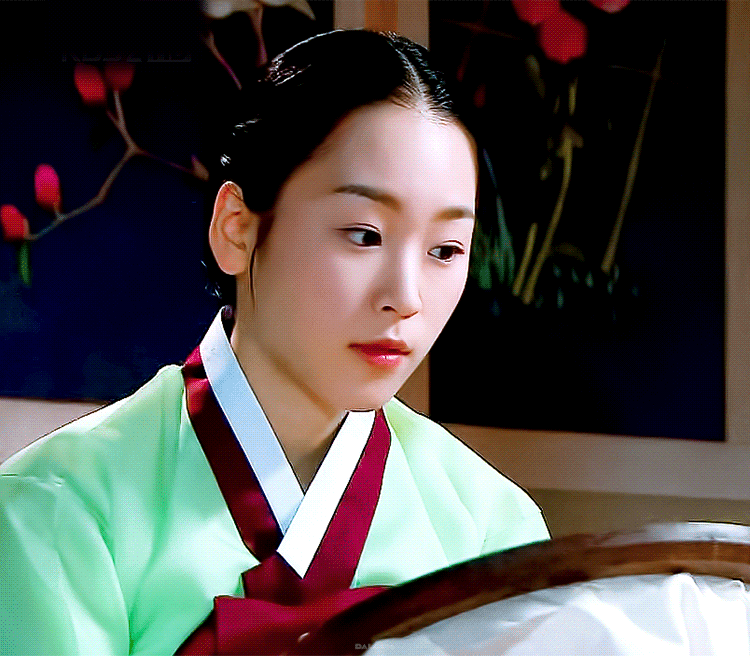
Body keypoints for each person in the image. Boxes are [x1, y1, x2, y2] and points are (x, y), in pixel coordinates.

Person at [0, 30, 549, 656]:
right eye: (364, 235)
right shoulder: (61, 509)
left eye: (445, 250)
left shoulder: (491, 527)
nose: (407, 296)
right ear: (237, 228)